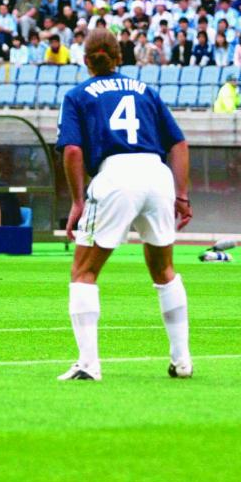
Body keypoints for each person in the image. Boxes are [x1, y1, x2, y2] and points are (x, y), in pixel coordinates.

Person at [55, 28, 193, 381]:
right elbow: (178, 144)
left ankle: (88, 364)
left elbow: (72, 150)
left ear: (86, 61)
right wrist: (181, 195)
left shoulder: (78, 95)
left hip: (116, 174)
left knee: (83, 272)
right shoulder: (147, 91)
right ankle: (182, 360)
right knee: (164, 269)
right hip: (156, 174)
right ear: (120, 58)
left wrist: (76, 201)